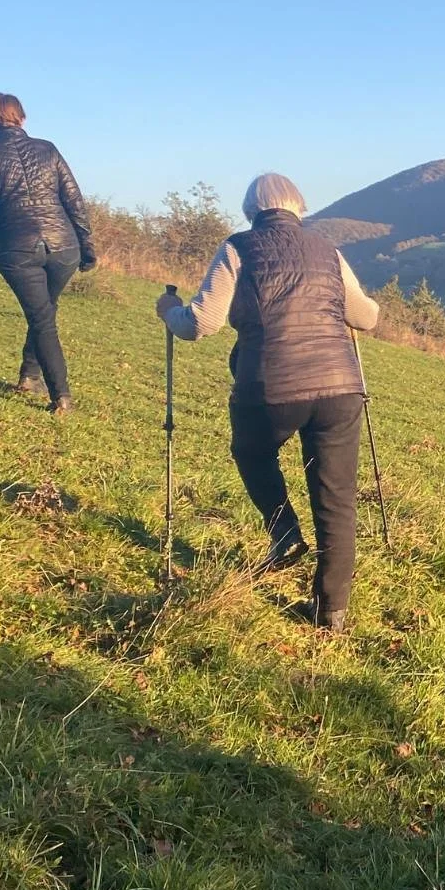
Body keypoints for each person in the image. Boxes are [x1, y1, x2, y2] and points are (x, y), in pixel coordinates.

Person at [157, 173, 382, 630]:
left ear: (251, 211)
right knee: (336, 498)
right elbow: (367, 317)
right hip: (341, 389)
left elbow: (200, 323)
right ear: (298, 208)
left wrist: (167, 312)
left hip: (269, 388)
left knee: (252, 452)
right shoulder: (328, 251)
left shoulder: (238, 248)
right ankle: (331, 612)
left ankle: (284, 534)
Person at [0, 93, 97, 414]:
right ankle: (30, 375)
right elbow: (74, 201)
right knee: (44, 313)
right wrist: (86, 244)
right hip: (64, 246)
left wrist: (4, 243)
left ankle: (61, 396)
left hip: (18, 250)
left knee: (42, 317)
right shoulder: (47, 149)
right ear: (22, 118)